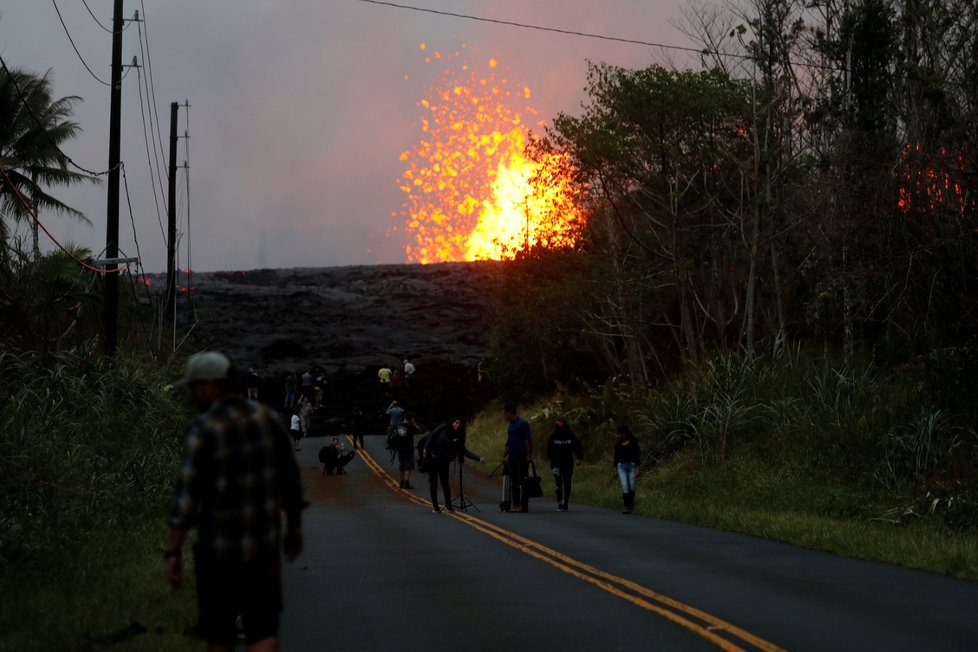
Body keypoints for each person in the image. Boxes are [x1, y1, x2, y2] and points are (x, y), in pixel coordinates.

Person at [165, 351, 304, 652]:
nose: (191, 394)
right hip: (263, 549)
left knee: (219, 635)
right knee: (263, 630)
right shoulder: (267, 420)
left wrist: (173, 551)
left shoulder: (202, 428)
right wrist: (293, 528)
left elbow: (186, 497)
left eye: (194, 387)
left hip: (217, 554)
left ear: (212, 386)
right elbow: (290, 482)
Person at [546, 418, 584, 512]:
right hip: (556, 464)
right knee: (558, 483)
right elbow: (549, 450)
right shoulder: (553, 437)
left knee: (567, 483)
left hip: (568, 463)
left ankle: (565, 502)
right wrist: (552, 459)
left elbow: (577, 446)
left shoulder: (570, 436)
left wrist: (579, 458)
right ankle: (559, 503)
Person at [502, 403, 532, 513]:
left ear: (510, 412)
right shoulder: (511, 425)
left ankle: (524, 505)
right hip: (512, 455)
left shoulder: (522, 424)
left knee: (522, 480)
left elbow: (527, 440)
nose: (504, 415)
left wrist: (528, 455)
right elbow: (509, 441)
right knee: (513, 481)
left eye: (505, 413)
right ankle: (515, 504)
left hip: (521, 454)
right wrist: (504, 455)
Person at [420, 422, 455, 512]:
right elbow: (431, 437)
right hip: (433, 459)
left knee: (445, 482)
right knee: (434, 482)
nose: (457, 425)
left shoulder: (454, 434)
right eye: (456, 422)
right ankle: (435, 506)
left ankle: (448, 506)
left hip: (443, 461)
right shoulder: (442, 428)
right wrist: (425, 449)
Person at [613, 424, 641, 514]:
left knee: (632, 487)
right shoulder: (617, 445)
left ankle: (631, 505)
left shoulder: (633, 443)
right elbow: (616, 458)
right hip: (621, 467)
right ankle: (626, 506)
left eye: (618, 434)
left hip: (632, 466)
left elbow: (637, 456)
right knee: (625, 487)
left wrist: (638, 467)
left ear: (624, 434)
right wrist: (615, 470)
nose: (617, 436)